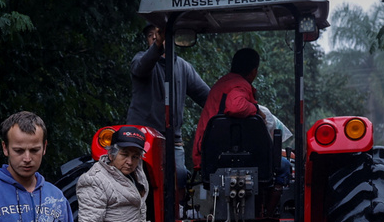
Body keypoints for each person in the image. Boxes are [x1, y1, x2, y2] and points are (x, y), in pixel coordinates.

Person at [191, 48, 292, 185]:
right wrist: (256, 110)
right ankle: (269, 207)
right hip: (225, 156)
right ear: (254, 72)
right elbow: (236, 107)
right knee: (284, 166)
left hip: (209, 155)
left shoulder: (221, 84)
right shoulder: (240, 85)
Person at [125, 24, 210, 186]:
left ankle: (177, 209)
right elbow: (142, 67)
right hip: (143, 138)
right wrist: (158, 46)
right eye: (151, 35)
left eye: (160, 34)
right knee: (139, 179)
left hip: (173, 139)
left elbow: (208, 97)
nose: (156, 37)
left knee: (180, 176)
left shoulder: (184, 67)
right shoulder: (140, 60)